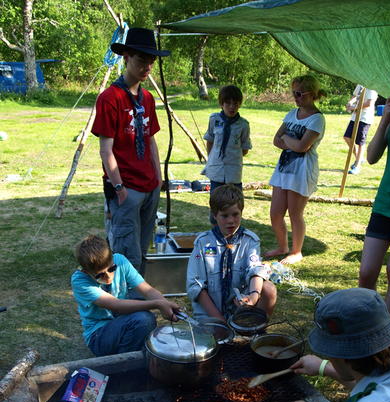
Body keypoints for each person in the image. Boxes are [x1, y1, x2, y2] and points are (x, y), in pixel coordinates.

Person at [91, 28, 170, 275]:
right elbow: (106, 150)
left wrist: (158, 178)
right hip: (126, 188)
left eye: (151, 61)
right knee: (126, 254)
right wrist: (119, 189)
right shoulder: (110, 98)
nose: (147, 66)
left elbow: (150, 140)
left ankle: (138, 294)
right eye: (141, 60)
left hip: (149, 186)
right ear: (126, 57)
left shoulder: (147, 98)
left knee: (143, 251)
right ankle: (124, 297)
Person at [71, 235, 180, 357]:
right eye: (100, 275)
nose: (108, 277)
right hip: (98, 335)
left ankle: (131, 353)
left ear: (112, 256)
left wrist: (166, 305)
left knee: (143, 316)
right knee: (144, 319)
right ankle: (124, 362)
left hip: (122, 322)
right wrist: (158, 304)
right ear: (86, 271)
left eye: (111, 269)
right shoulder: (80, 281)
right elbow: (116, 305)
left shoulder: (120, 260)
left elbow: (147, 290)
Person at [186, 185, 276, 322]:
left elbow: (255, 270)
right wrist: (219, 321)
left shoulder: (250, 241)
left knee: (269, 289)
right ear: (214, 215)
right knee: (218, 335)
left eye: (235, 214)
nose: (230, 221)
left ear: (241, 212)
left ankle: (256, 327)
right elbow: (196, 286)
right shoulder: (203, 243)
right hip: (210, 313)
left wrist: (253, 297)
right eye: (224, 216)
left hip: (240, 310)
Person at [265, 74, 326, 265]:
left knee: (295, 213)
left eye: (299, 93)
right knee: (275, 213)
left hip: (302, 171)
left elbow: (302, 147)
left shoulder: (317, 119)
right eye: (294, 93)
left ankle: (296, 252)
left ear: (312, 94)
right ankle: (282, 247)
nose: (295, 97)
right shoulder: (292, 114)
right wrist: (291, 142)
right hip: (284, 168)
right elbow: (276, 140)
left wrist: (287, 139)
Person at [359, 67, 390, 318]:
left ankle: (385, 329)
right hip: (384, 204)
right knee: (366, 272)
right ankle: (367, 321)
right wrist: (385, 120)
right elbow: (372, 156)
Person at [201, 84, 252, 195]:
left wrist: (231, 156)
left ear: (240, 104)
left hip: (233, 172)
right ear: (221, 104)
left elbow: (245, 149)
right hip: (216, 170)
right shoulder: (214, 120)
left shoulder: (243, 125)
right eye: (228, 103)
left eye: (235, 103)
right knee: (216, 200)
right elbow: (210, 141)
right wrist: (212, 158)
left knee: (234, 201)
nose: (232, 107)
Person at [343, 84, 378, 175]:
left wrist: (354, 107)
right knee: (347, 137)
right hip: (355, 117)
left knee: (360, 142)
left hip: (365, 118)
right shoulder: (360, 84)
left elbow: (369, 103)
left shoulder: (372, 88)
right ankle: (359, 157)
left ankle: (357, 165)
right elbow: (355, 96)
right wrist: (350, 103)